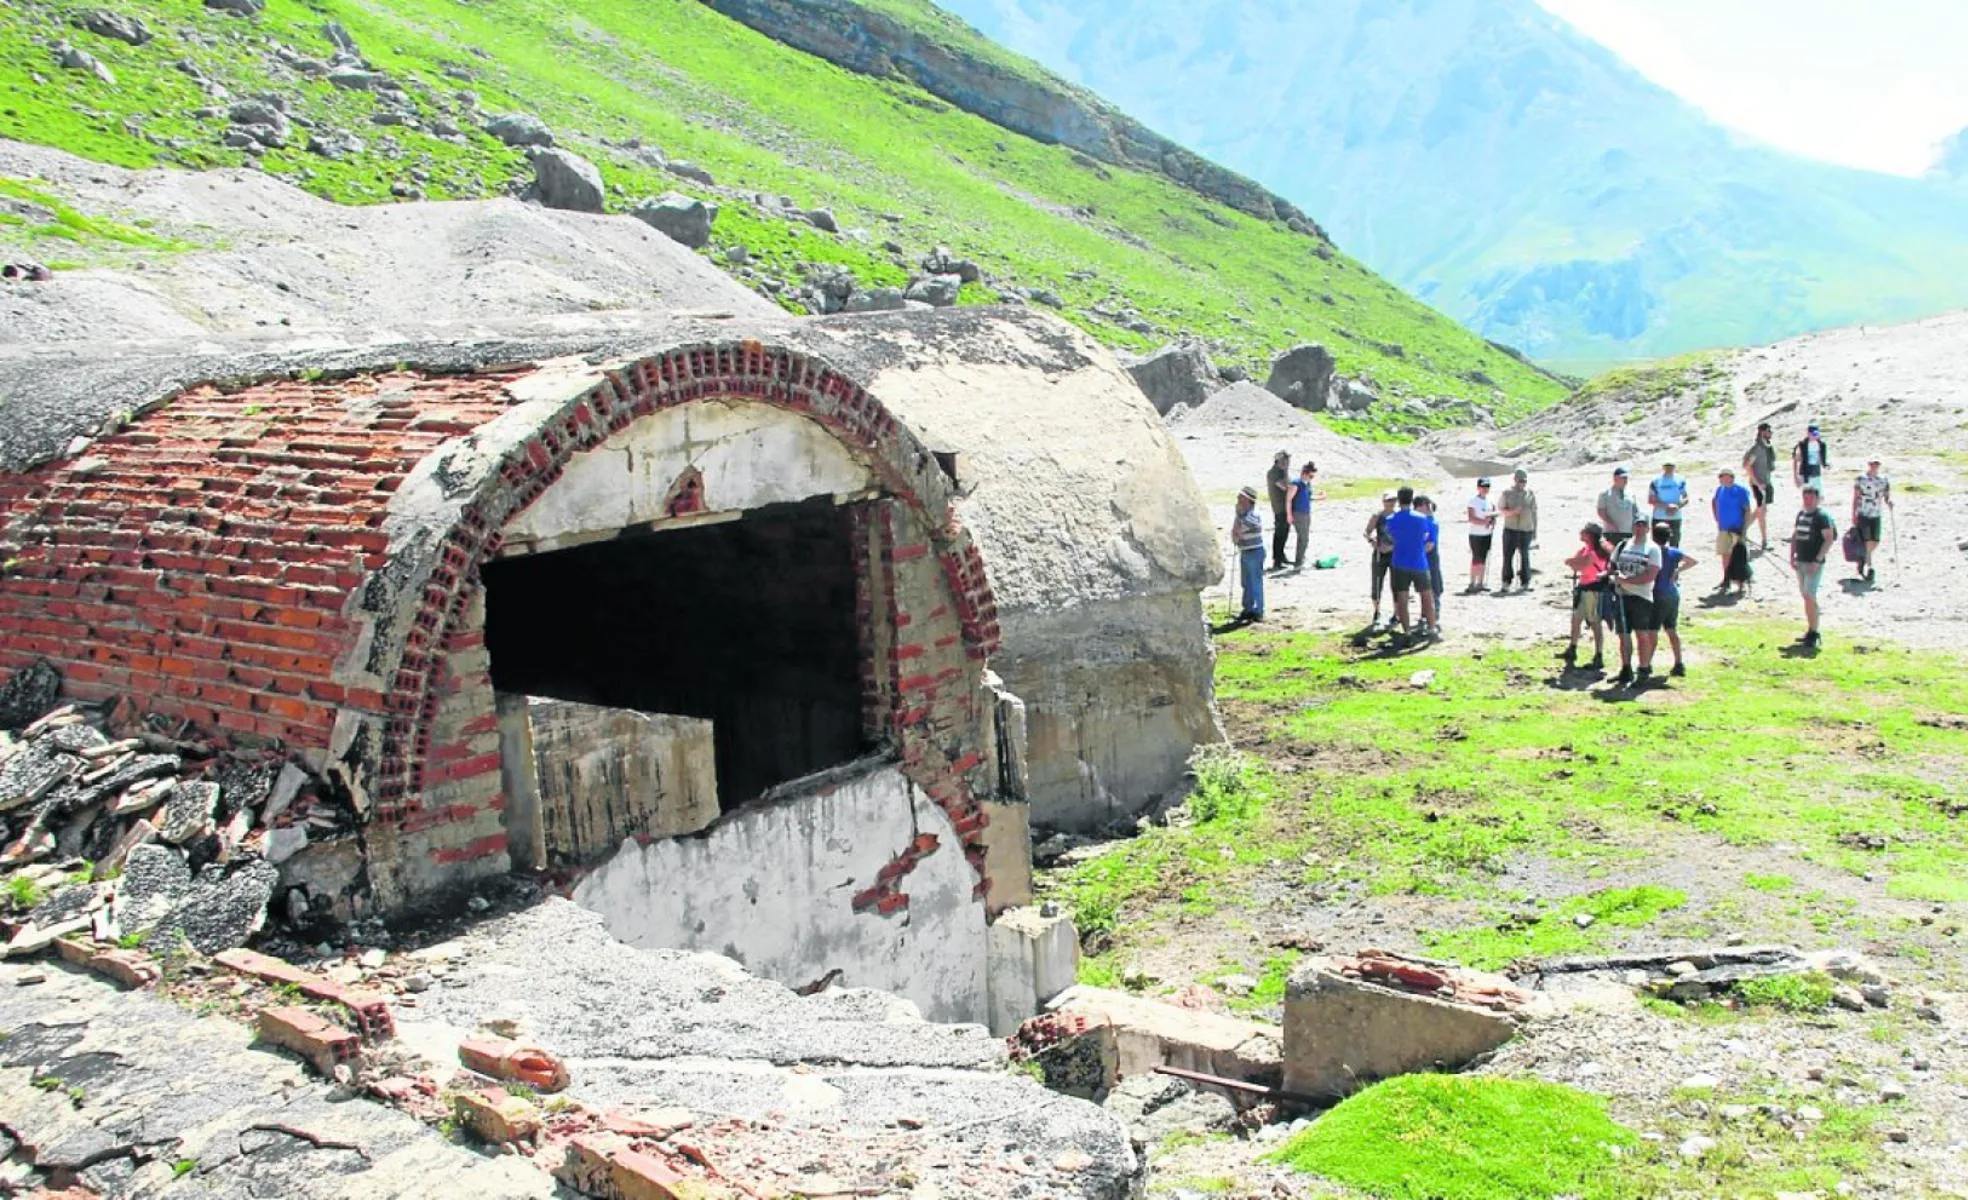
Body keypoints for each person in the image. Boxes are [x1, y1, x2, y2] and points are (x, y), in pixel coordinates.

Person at [1610, 521, 1662, 686]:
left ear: (1648, 528)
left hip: (1641, 597)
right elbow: (1612, 565)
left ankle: (1643, 669)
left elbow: (1650, 575)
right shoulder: (1623, 545)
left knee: (1642, 635)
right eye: (1637, 525)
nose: (1639, 529)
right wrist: (1614, 577)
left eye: (1642, 526)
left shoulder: (1652, 549)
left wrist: (1627, 581)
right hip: (1621, 595)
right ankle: (1625, 669)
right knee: (1623, 635)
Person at [1384, 486, 1437, 640]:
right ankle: (1432, 628)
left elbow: (1390, 540)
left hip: (1399, 562)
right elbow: (1428, 540)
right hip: (1419, 561)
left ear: (1399, 501)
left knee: (1402, 599)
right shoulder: (1421, 519)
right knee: (1427, 596)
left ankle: (1406, 631)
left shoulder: (1391, 520)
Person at [1562, 523, 1615, 671]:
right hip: (1585, 588)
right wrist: (1574, 562)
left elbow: (1579, 565)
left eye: (1584, 531)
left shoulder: (1593, 552)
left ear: (1590, 535)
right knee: (1576, 619)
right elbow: (1576, 563)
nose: (1581, 532)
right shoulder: (1590, 549)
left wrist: (1572, 562)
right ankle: (1572, 649)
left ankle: (1598, 655)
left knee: (1594, 622)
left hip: (1593, 589)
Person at [1790, 483, 1835, 649]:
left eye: (1811, 498)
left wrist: (1818, 560)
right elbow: (1795, 535)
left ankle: (1814, 631)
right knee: (1806, 596)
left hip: (1813, 562)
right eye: (1805, 497)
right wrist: (1792, 555)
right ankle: (1811, 629)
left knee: (1809, 595)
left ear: (1817, 499)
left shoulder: (1822, 517)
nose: (1808, 501)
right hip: (1800, 560)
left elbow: (1829, 539)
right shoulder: (1801, 514)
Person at [1651, 521, 1696, 677]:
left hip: (1658, 594)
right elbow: (1692, 561)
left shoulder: (1652, 552)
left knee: (1652, 631)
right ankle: (1678, 662)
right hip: (1673, 593)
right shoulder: (1674, 552)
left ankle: (1647, 663)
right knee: (1671, 629)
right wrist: (1677, 571)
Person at [1712, 468, 1754, 595]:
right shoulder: (1720, 490)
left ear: (1731, 477)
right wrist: (1717, 519)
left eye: (1724, 476)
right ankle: (1726, 579)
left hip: (1737, 529)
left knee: (1739, 556)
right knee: (1725, 554)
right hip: (1723, 528)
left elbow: (1747, 510)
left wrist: (1744, 529)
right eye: (1720, 477)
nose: (1722, 479)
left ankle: (1741, 583)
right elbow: (1714, 503)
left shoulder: (1740, 491)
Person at [1851, 459, 1892, 584]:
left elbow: (1886, 495)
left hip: (1877, 513)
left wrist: (1889, 502)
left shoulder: (1883, 480)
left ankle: (1864, 558)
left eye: (1877, 464)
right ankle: (1870, 566)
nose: (1874, 466)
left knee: (1875, 541)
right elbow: (1856, 496)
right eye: (1872, 463)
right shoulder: (1861, 479)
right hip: (1863, 512)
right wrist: (1853, 513)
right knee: (1867, 540)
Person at [1498, 468, 1538, 592]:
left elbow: (1534, 512)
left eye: (1524, 481)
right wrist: (1513, 512)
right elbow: (1501, 510)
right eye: (1520, 481)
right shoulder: (1507, 493)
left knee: (1525, 556)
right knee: (1508, 556)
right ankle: (1506, 581)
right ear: (1515, 480)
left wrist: (1534, 530)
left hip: (1526, 530)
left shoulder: (1530, 494)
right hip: (1511, 529)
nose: (1522, 483)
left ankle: (1525, 582)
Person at [1364, 491, 1397, 630]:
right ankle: (1377, 612)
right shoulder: (1377, 516)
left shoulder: (1398, 517)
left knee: (1397, 585)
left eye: (1393, 500)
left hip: (1395, 553)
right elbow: (1367, 532)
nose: (1391, 503)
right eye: (1388, 500)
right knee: (1377, 583)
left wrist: (1393, 546)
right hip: (1379, 553)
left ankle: (1396, 614)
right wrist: (1372, 541)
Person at [1232, 487, 1266, 622]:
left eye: (1241, 497)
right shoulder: (1241, 515)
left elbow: (1239, 531)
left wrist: (1238, 522)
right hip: (1245, 551)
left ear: (1248, 500)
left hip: (1254, 552)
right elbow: (1234, 534)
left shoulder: (1253, 515)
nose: (1238, 500)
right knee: (1246, 582)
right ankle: (1248, 608)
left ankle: (1259, 610)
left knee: (1255, 582)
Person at [1743, 423, 1778, 548]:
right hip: (1758, 484)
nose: (1771, 433)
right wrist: (1757, 483)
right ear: (1763, 432)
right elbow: (1748, 466)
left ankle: (1743, 530)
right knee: (1762, 511)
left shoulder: (1767, 447)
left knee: (1760, 510)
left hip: (1766, 482)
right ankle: (1764, 541)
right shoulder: (1757, 449)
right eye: (1769, 431)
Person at [1287, 460, 1323, 569]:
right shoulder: (1296, 483)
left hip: (1306, 513)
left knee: (1305, 538)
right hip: (1298, 513)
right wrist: (1289, 515)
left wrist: (1321, 497)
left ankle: (1301, 559)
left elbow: (1309, 497)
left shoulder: (1307, 484)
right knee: (1303, 537)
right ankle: (1298, 562)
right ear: (1304, 474)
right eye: (1310, 476)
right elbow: (1288, 500)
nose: (1311, 478)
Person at [1465, 478, 1497, 593]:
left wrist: (1492, 521)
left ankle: (1481, 582)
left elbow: (1493, 514)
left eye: (1487, 487)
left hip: (1487, 533)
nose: (1485, 489)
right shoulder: (1473, 501)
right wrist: (1484, 522)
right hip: (1475, 533)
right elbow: (1471, 518)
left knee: (1484, 557)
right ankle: (1472, 582)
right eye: (1483, 487)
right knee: (1476, 557)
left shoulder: (1490, 500)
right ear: (1478, 487)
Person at [1417, 495, 1446, 617]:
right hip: (1428, 556)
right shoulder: (1429, 520)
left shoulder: (1429, 521)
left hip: (1429, 557)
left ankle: (1433, 613)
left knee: (1431, 584)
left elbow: (1430, 544)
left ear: (1423, 506)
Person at [1597, 467, 1640, 547]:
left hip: (1628, 532)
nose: (1626, 480)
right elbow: (1601, 511)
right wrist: (1610, 524)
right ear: (1615, 478)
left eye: (1626, 478)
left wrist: (1635, 526)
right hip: (1612, 532)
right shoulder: (1605, 494)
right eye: (1623, 478)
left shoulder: (1630, 494)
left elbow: (1636, 512)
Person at [1648, 461, 1688, 547]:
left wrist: (1677, 506)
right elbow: (1651, 500)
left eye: (1671, 466)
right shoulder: (1655, 481)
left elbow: (1686, 498)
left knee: (1674, 543)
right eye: (1667, 466)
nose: (1669, 468)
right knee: (1657, 544)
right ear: (1663, 467)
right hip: (1659, 516)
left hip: (1675, 517)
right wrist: (1666, 506)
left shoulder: (1680, 480)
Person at [1265, 451, 1292, 570]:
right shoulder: (1273, 473)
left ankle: (1281, 556)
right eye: (1285, 461)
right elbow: (1285, 486)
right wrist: (1286, 471)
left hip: (1285, 507)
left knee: (1285, 532)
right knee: (1279, 533)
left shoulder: (1280, 472)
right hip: (1279, 507)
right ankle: (1277, 559)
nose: (1287, 464)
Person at [1793, 425, 1830, 494]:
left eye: (1817, 433)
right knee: (1808, 497)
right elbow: (1795, 460)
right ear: (1808, 434)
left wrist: (1826, 465)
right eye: (1813, 433)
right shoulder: (1802, 445)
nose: (1815, 436)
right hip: (1805, 474)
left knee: (1819, 496)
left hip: (1816, 473)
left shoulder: (1821, 445)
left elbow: (1822, 461)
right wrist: (1795, 477)